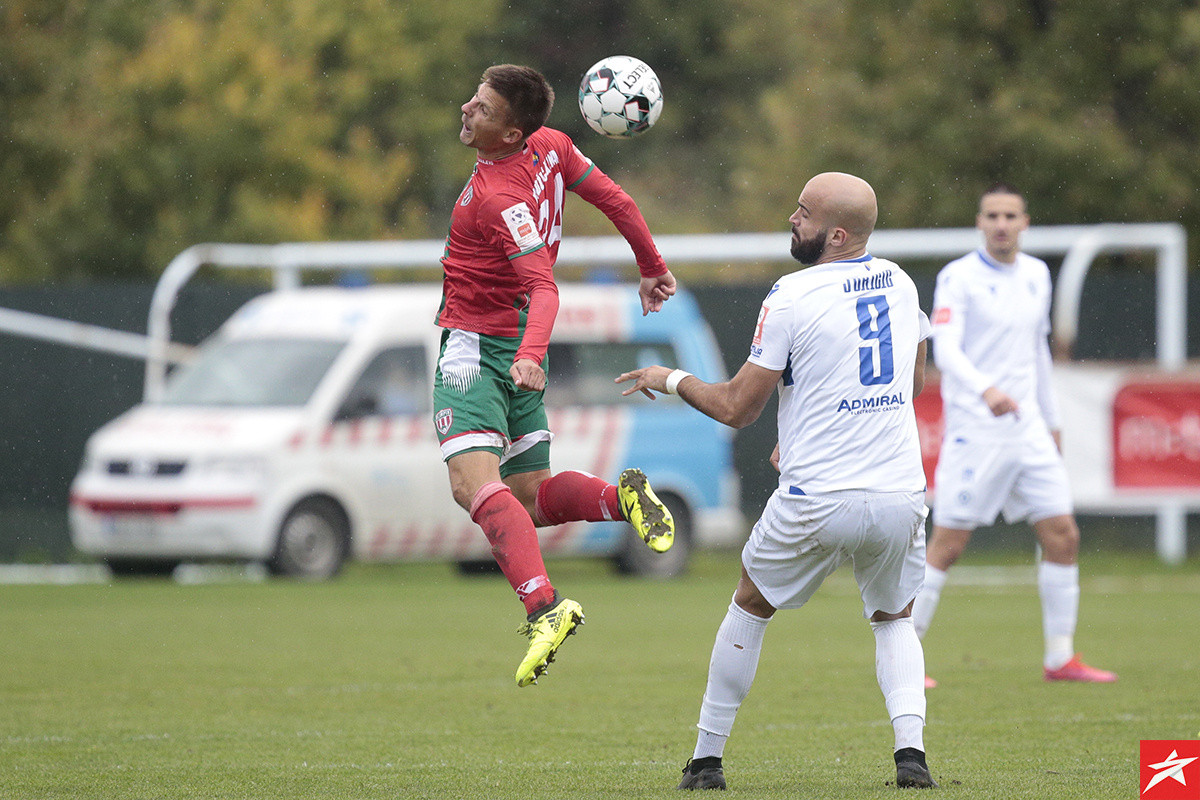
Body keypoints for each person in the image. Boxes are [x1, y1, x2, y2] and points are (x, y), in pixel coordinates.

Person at [617, 172, 937, 791]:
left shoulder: (791, 293)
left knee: (751, 603)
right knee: (895, 616)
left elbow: (738, 407)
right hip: (899, 495)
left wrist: (668, 378)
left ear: (836, 234)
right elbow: (913, 386)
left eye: (804, 212)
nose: (793, 219)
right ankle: (911, 757)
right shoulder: (899, 281)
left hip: (817, 496)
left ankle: (707, 761)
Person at [434, 64, 679, 689]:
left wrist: (531, 355)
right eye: (474, 97)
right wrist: (652, 266)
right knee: (530, 495)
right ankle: (619, 499)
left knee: (472, 486)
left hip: (479, 348)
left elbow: (543, 286)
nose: (467, 109)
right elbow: (616, 199)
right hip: (512, 340)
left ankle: (544, 609)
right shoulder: (553, 146)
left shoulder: (498, 197)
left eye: (482, 108)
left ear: (513, 133)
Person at [913, 183, 1116, 685]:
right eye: (992, 215)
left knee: (1063, 534)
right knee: (949, 544)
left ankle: (1060, 657)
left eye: (1010, 216)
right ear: (980, 223)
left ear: (1025, 222)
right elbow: (947, 348)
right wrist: (986, 390)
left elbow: (1037, 352)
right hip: (977, 429)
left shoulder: (1036, 275)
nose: (1001, 224)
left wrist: (1053, 422)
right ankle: (906, 658)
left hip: (1028, 430)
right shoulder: (958, 277)